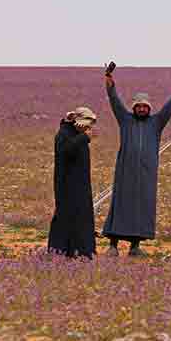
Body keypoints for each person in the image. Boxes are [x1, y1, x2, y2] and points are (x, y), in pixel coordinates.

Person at [102, 71, 171, 257]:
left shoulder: (156, 123)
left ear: (149, 108)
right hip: (125, 172)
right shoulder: (125, 120)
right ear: (134, 108)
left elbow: (169, 109)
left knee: (141, 208)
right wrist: (110, 84)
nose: (142, 109)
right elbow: (115, 102)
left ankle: (135, 247)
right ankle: (113, 245)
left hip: (146, 174)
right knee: (121, 205)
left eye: (145, 106)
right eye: (139, 106)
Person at [48, 107, 97, 258]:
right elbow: (66, 151)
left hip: (81, 185)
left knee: (82, 217)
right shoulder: (64, 134)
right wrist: (84, 138)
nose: (88, 129)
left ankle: (83, 252)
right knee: (65, 217)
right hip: (67, 186)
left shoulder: (78, 134)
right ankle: (60, 251)